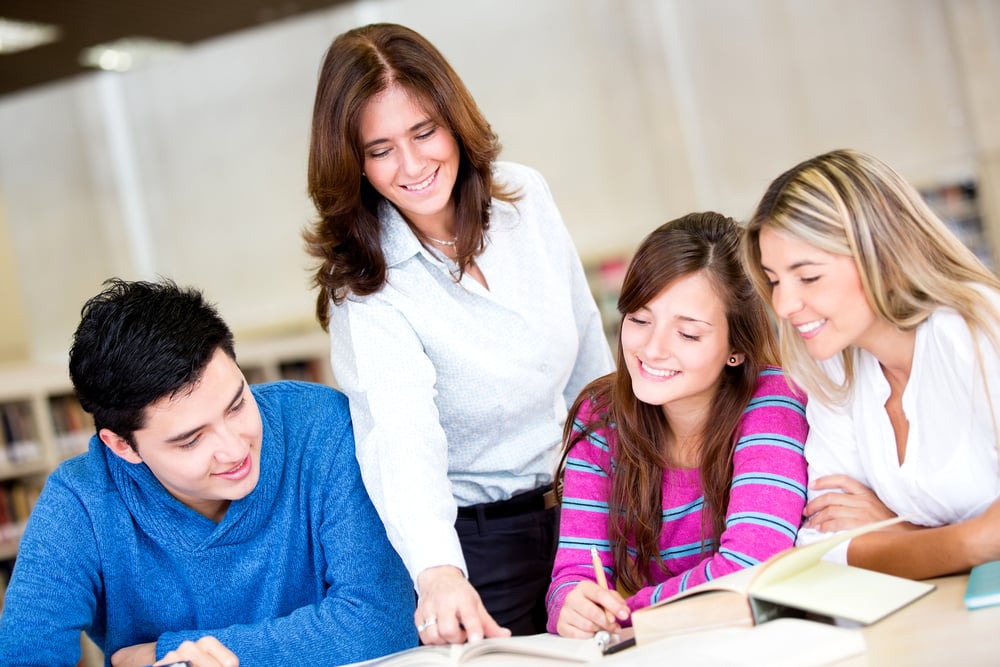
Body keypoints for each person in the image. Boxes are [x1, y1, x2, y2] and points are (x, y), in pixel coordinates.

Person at [303, 23, 614, 644]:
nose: (413, 166)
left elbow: (589, 358)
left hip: (585, 513)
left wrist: (627, 482)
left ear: (455, 121)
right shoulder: (366, 286)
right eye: (381, 149)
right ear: (352, 162)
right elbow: (400, 437)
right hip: (476, 547)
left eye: (425, 132)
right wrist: (438, 572)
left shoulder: (525, 199)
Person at [0, 279, 417, 667]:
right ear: (122, 446)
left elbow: (382, 624)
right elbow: (25, 655)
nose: (235, 449)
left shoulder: (321, 427)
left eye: (237, 405)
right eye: (190, 440)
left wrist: (169, 655)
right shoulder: (80, 501)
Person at [547, 213, 808, 637]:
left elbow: (748, 570)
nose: (652, 349)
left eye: (688, 334)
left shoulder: (772, 400)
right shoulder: (601, 417)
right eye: (639, 319)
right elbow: (573, 576)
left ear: (736, 348)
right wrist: (574, 606)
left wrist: (628, 613)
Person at [743, 148, 1000, 579]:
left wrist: (898, 531)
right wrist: (965, 540)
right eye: (773, 281)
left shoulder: (974, 330)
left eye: (808, 277)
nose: (783, 305)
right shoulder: (833, 367)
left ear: (880, 253)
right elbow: (826, 546)